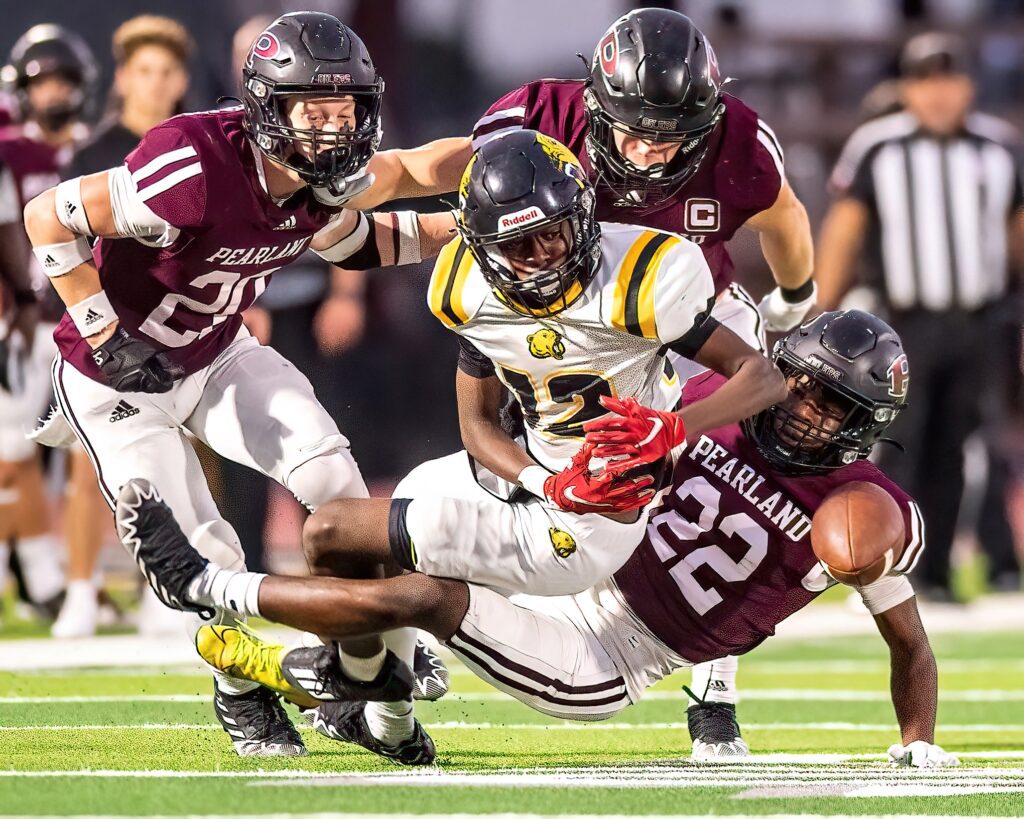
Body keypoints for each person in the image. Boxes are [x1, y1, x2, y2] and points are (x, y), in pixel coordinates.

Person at [116, 127, 785, 765]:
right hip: (536, 479)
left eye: (554, 237)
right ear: (485, 250)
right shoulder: (468, 287)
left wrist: (671, 430)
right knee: (357, 524)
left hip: (590, 521)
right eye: (520, 249)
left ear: (583, 219)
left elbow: (761, 375)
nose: (543, 260)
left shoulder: (644, 274)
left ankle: (229, 596)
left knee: (340, 535)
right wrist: (543, 481)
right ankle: (385, 714)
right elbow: (479, 428)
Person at [115, 310, 959, 770]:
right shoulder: (709, 396)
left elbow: (909, 640)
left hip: (613, 651)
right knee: (347, 527)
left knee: (424, 597)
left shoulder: (864, 511)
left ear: (867, 427)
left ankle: (213, 589)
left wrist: (917, 741)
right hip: (570, 547)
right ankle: (377, 703)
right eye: (807, 390)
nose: (809, 413)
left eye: (835, 408)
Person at [357, 7, 815, 757]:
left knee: (722, 469)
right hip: (559, 305)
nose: (647, 151)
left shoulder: (740, 141)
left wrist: (795, 298)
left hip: (682, 318)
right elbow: (428, 168)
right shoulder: (539, 116)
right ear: (594, 102)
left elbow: (783, 216)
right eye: (633, 128)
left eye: (670, 135)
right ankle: (454, 601)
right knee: (498, 452)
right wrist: (342, 190)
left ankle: (714, 684)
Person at [22, 11, 462, 758]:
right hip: (116, 375)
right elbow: (45, 218)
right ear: (266, 109)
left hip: (219, 353)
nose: (334, 128)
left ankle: (356, 677)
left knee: (336, 482)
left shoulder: (328, 179)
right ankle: (241, 690)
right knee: (203, 552)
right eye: (314, 112)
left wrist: (466, 225)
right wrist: (103, 331)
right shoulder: (193, 166)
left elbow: (365, 231)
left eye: (345, 108)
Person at [816, 32, 1023, 600]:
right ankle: (893, 569)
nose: (938, 93)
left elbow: (1015, 234)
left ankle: (935, 572)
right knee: (903, 441)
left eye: (949, 79)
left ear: (968, 86)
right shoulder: (878, 145)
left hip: (978, 319)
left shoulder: (999, 146)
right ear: (907, 87)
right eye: (925, 80)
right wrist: (819, 313)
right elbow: (845, 229)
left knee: (959, 444)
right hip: (903, 325)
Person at [52, 15, 196, 639]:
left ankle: (161, 590)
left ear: (181, 79)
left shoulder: (197, 149)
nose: (155, 82)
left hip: (179, 322)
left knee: (182, 459)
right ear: (124, 77)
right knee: (92, 465)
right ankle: (81, 590)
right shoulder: (93, 151)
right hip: (103, 324)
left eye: (166, 71)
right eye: (144, 70)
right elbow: (58, 241)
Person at [0, 24, 98, 623]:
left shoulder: (94, 148)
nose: (55, 93)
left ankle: (54, 576)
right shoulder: (10, 151)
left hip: (87, 314)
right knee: (14, 452)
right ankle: (41, 578)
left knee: (76, 461)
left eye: (64, 81)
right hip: (29, 318)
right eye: (44, 83)